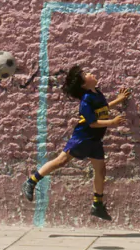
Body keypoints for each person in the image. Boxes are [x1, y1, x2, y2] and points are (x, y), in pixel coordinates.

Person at [21, 65, 130, 220]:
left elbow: (103, 109)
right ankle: (31, 181)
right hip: (83, 137)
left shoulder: (97, 93)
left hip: (95, 140)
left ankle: (97, 204)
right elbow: (92, 123)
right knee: (61, 161)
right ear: (83, 85)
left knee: (100, 170)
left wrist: (118, 101)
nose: (91, 73)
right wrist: (112, 122)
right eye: (86, 74)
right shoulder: (86, 101)